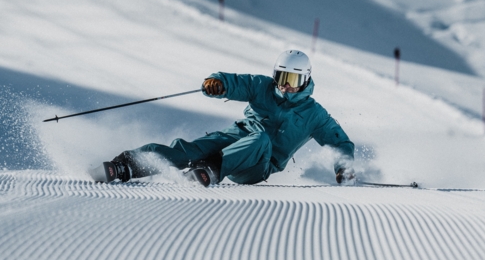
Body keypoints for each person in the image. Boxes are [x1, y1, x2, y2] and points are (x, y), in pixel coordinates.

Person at [111, 50, 355, 186]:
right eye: (282, 79)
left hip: (258, 165)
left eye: (293, 81)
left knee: (261, 139)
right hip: (235, 137)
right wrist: (217, 83)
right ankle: (128, 164)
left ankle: (212, 170)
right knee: (190, 149)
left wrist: (344, 168)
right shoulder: (263, 86)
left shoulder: (315, 115)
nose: (286, 87)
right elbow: (237, 82)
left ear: (305, 80)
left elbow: (340, 142)